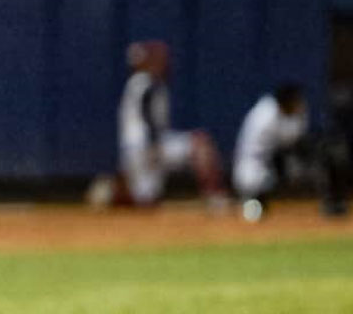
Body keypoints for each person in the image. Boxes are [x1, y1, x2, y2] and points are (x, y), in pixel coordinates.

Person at [115, 39, 227, 208]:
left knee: (147, 200)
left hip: (134, 150)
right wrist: (153, 143)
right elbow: (147, 113)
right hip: (149, 145)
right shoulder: (146, 81)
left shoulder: (134, 84)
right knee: (200, 142)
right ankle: (215, 197)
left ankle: (112, 192)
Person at [232, 83, 309, 221]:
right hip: (252, 169)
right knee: (255, 205)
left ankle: (254, 202)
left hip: (256, 164)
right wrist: (302, 116)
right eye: (296, 101)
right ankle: (251, 202)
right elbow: (292, 138)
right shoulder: (269, 116)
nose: (299, 104)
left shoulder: (268, 107)